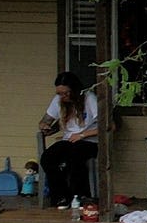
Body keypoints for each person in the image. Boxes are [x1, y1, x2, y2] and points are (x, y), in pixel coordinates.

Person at [39, 71, 102, 207]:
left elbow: (109, 125)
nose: (63, 96)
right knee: (48, 158)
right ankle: (61, 196)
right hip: (68, 140)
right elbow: (46, 120)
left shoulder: (89, 98)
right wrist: (45, 126)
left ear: (75, 90)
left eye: (66, 93)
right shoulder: (58, 100)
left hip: (89, 140)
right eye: (59, 93)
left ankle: (81, 195)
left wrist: (82, 135)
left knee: (74, 157)